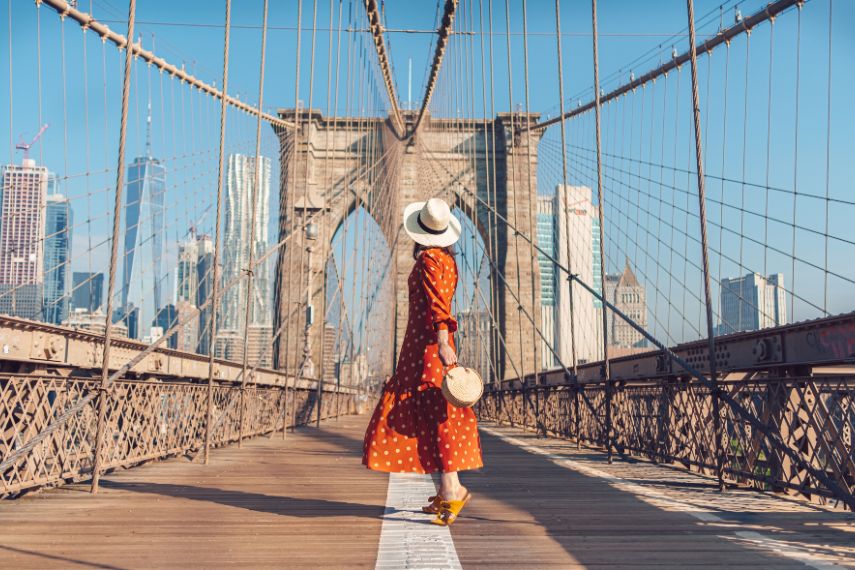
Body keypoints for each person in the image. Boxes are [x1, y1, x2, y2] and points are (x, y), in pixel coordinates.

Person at [362, 197, 482, 526]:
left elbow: (438, 305)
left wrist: (443, 341)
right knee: (436, 416)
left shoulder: (429, 259)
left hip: (427, 350)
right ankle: (449, 488)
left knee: (437, 416)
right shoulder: (447, 260)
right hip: (424, 348)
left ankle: (452, 489)